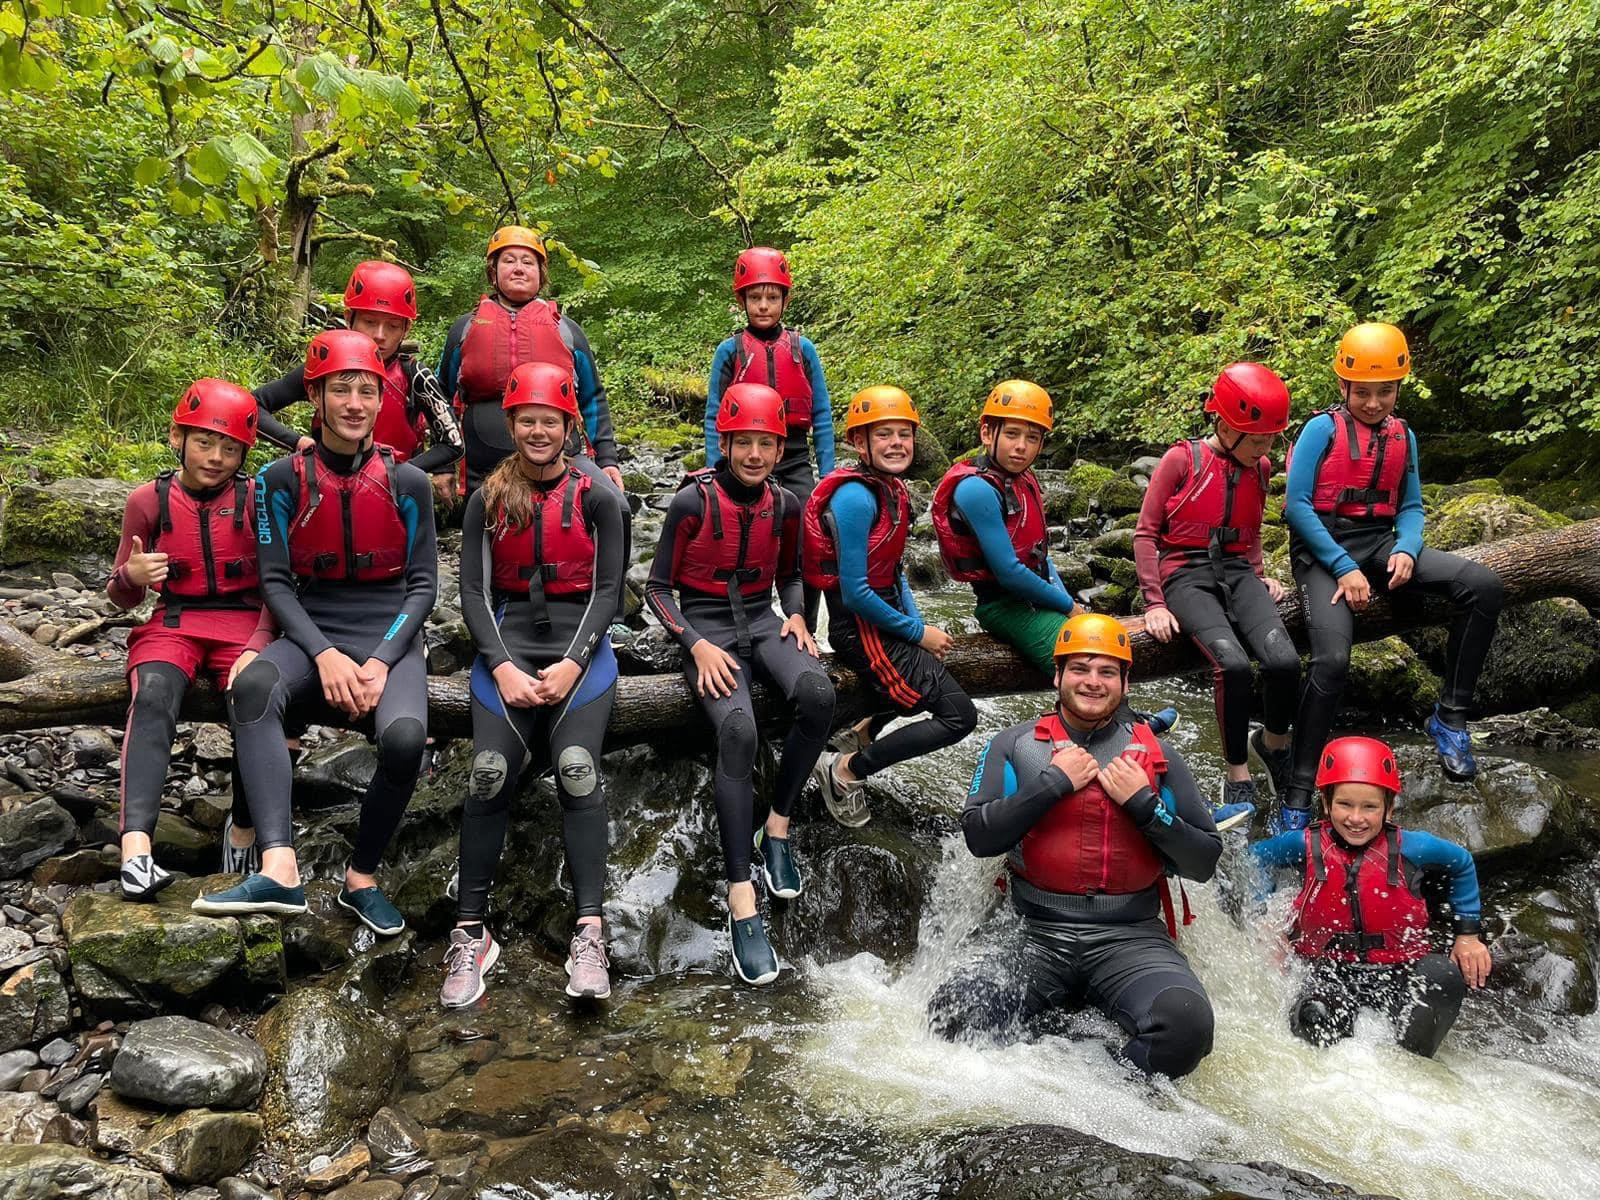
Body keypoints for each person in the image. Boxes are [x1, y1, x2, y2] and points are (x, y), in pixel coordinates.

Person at [193, 330, 437, 933]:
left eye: (365, 391)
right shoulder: (281, 479)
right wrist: (324, 655)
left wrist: (380, 660)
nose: (354, 403)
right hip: (314, 623)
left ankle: (362, 879)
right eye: (340, 390)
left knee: (405, 740)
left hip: (391, 630)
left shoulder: (410, 483)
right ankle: (278, 867)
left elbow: (424, 586)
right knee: (251, 690)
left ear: (381, 400)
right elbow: (275, 583)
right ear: (317, 399)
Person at [928, 613, 1221, 1079]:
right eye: (1080, 669)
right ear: (1058, 675)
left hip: (1131, 937)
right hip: (1034, 933)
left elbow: (1204, 860)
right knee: (954, 1015)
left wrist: (1145, 806)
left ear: (1126, 682)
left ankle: (1101, 1087)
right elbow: (980, 837)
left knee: (1187, 1028)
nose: (1093, 681)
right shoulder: (1015, 745)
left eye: (1107, 671)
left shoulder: (1159, 757)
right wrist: (1051, 784)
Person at [441, 361, 627, 1008]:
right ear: (511, 424)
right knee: (489, 770)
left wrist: (576, 661)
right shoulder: (488, 499)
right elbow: (470, 593)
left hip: (581, 648)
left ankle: (591, 931)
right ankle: (471, 933)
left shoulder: (599, 496)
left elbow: (609, 593)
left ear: (568, 424)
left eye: (551, 420)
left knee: (577, 766)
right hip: (510, 643)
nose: (539, 430)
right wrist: (500, 666)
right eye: (527, 420)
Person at [1278, 323, 1504, 829]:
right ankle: (1296, 796)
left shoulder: (1404, 435)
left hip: (1381, 541)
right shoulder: (1321, 430)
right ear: (1343, 387)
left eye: (1385, 392)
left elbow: (1413, 506)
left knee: (1483, 586)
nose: (1374, 402)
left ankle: (1450, 718)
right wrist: (1343, 567)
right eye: (1363, 392)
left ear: (1398, 388)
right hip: (1323, 549)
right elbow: (1296, 507)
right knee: (1332, 661)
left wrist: (1406, 548)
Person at [648, 381, 836, 985]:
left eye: (766, 444)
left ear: (780, 448)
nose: (755, 454)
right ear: (725, 443)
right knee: (738, 728)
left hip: (763, 618)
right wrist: (695, 645)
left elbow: (790, 576)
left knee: (819, 694)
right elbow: (655, 590)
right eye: (744, 443)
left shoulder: (783, 504)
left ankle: (776, 825)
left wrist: (800, 615)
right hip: (705, 624)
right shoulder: (691, 503)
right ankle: (740, 895)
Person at [930, 379, 1177, 737]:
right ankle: (1126, 731)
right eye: (1012, 434)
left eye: (1032, 438)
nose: (1021, 447)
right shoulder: (975, 489)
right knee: (1084, 659)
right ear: (988, 432)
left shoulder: (1022, 480)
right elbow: (1010, 572)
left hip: (1033, 595)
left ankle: (1125, 722)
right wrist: (1068, 607)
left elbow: (1041, 557)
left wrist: (1068, 604)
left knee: (1098, 645)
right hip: (1003, 605)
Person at [108, 380, 273, 899]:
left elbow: (280, 583)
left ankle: (244, 830)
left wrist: (261, 642)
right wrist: (132, 576)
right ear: (178, 437)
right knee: (153, 694)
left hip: (245, 624)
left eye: (230, 448)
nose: (216, 457)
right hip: (175, 622)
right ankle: (136, 851)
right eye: (204, 442)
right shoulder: (148, 500)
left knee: (257, 699)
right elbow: (120, 599)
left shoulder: (256, 498)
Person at [1249, 735, 1491, 1057]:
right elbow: (1255, 858)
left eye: (1370, 807)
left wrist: (1468, 935)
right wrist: (1267, 918)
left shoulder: (1414, 848)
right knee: (1315, 1015)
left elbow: (1461, 863)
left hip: (1400, 970)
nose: (1356, 818)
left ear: (1389, 808)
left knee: (1442, 977)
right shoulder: (1303, 844)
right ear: (1325, 803)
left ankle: (1411, 1065)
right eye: (1345, 804)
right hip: (1328, 970)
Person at [1135, 363, 1299, 830]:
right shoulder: (1180, 461)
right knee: (1233, 664)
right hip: (1185, 574)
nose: (1266, 448)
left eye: (1270, 438)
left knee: (1284, 662)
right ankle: (1237, 773)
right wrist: (1154, 603)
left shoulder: (1260, 467)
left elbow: (1249, 532)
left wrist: (1261, 574)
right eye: (1257, 438)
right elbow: (1145, 535)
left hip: (1237, 573)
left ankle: (1273, 744)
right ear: (1225, 426)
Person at [805, 387, 978, 827]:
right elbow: (857, 591)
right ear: (860, 443)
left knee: (920, 687)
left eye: (904, 433)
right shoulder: (855, 498)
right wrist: (917, 634)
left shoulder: (893, 490)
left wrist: (915, 623)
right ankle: (845, 772)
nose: (897, 443)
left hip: (881, 619)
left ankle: (857, 734)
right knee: (958, 716)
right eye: (884, 434)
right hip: (858, 624)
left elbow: (895, 570)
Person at [438, 226, 623, 497]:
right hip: (484, 467)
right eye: (508, 261)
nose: (518, 268)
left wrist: (607, 460)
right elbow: (441, 399)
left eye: (528, 262)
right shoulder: (465, 329)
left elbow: (592, 398)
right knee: (487, 535)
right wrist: (443, 465)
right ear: (493, 272)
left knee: (616, 505)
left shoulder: (567, 331)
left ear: (540, 273)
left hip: (561, 462)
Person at [704, 247, 834, 626]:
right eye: (755, 297)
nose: (764, 305)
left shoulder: (801, 348)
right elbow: (714, 412)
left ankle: (805, 623)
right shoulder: (729, 351)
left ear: (784, 300)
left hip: (792, 455)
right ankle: (737, 619)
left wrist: (827, 474)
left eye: (772, 297)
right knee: (737, 536)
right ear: (742, 300)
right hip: (743, 460)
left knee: (811, 534)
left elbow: (822, 413)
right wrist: (717, 465)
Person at [251, 260, 462, 487]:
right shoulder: (325, 366)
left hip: (392, 496)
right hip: (324, 487)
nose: (380, 335)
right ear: (349, 317)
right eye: (370, 322)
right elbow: (253, 406)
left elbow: (453, 443)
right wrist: (298, 442)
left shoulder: (415, 376)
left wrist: (401, 474)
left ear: (406, 329)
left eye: (392, 326)